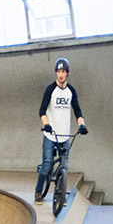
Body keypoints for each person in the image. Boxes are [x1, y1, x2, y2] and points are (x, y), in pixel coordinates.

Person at [35, 57, 88, 204]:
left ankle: (60, 195)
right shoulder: (50, 89)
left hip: (64, 136)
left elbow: (78, 111)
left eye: (63, 71)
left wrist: (82, 125)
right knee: (46, 166)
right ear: (56, 73)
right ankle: (38, 192)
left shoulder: (71, 91)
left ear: (67, 73)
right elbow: (42, 110)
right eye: (58, 71)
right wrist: (46, 124)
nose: (61, 74)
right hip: (51, 135)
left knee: (64, 167)